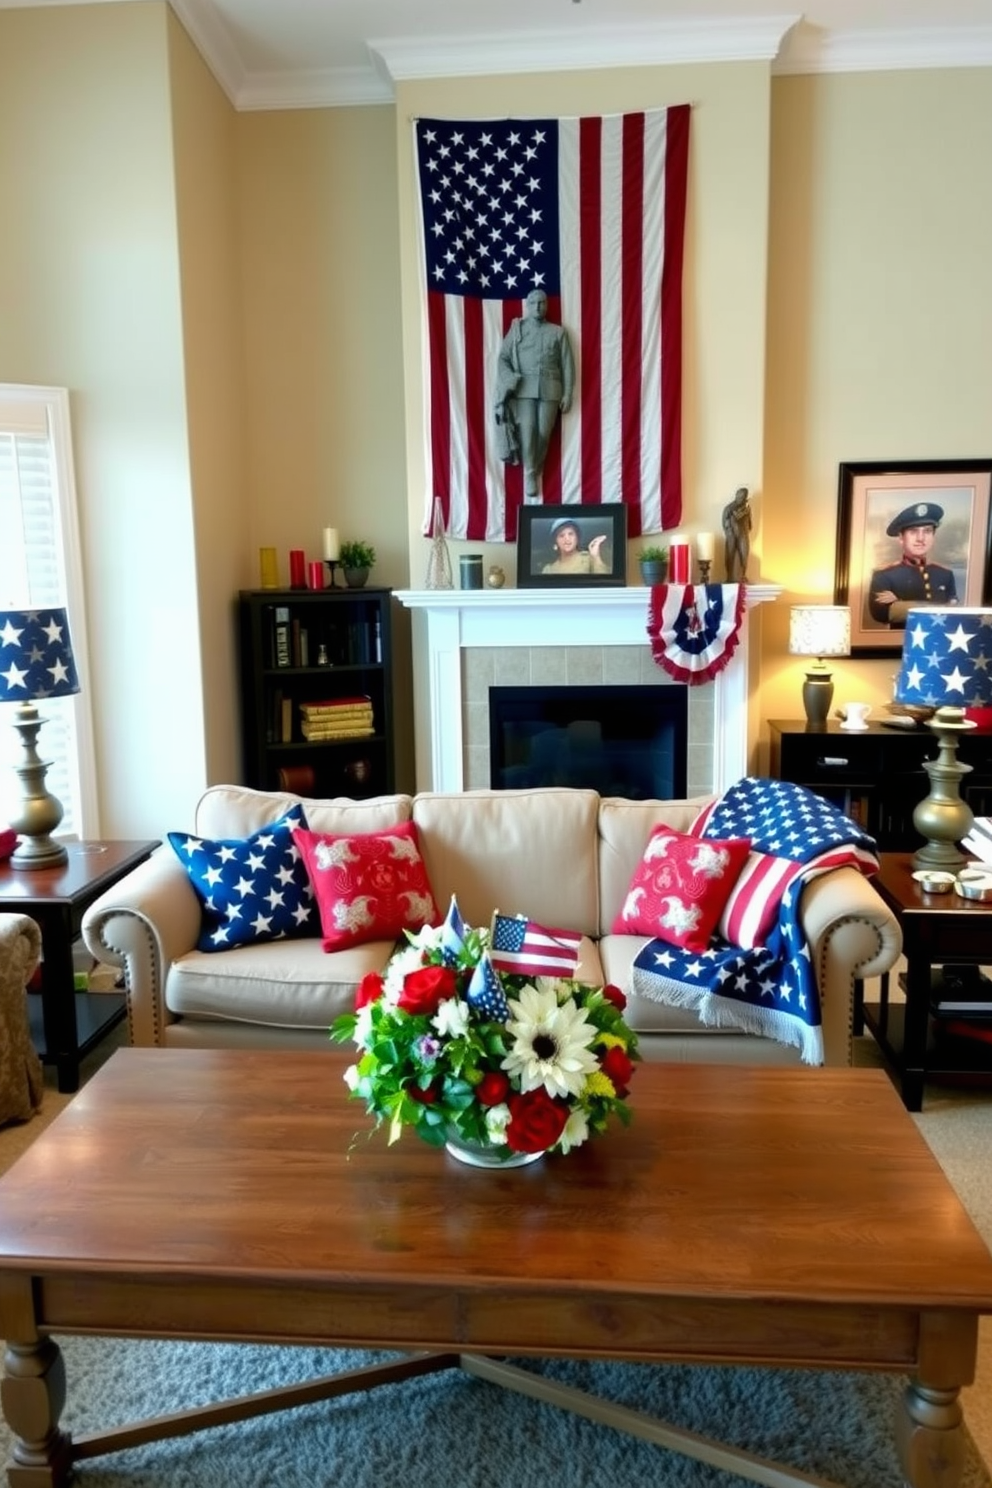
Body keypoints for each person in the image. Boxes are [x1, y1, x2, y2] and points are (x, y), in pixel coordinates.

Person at [494, 288, 575, 501]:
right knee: (528, 431)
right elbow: (503, 357)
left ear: (547, 305)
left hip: (550, 389)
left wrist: (568, 392)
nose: (538, 307)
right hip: (524, 389)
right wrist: (510, 378)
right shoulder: (517, 329)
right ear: (527, 306)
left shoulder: (557, 332)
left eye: (542, 303)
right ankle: (530, 472)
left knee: (544, 433)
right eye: (534, 303)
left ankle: (533, 466)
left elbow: (567, 365)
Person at [867, 501, 957, 627]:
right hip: (899, 644)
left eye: (927, 531)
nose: (921, 538)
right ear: (901, 538)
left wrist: (900, 603)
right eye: (913, 531)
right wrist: (941, 608)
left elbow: (954, 613)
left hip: (939, 643)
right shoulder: (884, 575)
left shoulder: (945, 574)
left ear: (933, 536)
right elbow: (881, 613)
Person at [540, 516, 609, 576]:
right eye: (561, 535)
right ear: (556, 542)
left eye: (571, 534)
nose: (567, 539)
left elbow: (605, 586)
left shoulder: (589, 559)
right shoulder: (548, 570)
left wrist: (595, 557)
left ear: (577, 538)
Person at [721, 487, 751, 582]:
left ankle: (743, 576)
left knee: (744, 554)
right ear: (736, 495)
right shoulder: (728, 508)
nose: (741, 499)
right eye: (740, 496)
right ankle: (729, 577)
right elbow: (724, 524)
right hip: (731, 535)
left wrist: (745, 528)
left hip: (743, 535)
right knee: (729, 555)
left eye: (743, 497)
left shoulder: (747, 509)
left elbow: (750, 524)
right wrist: (730, 532)